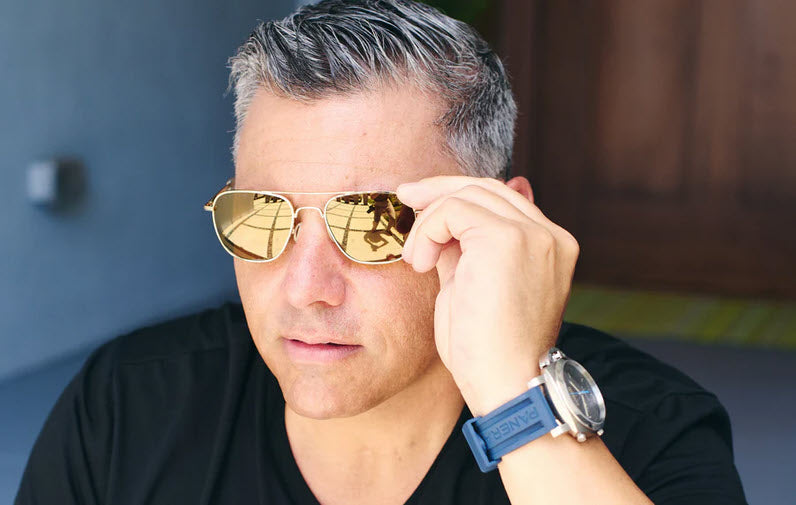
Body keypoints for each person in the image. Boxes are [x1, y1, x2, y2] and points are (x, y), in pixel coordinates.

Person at [15, 1, 748, 504]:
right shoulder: (125, 406)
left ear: (500, 223)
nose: (307, 287)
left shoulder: (650, 430)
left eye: (374, 223)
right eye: (262, 216)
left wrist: (517, 401)